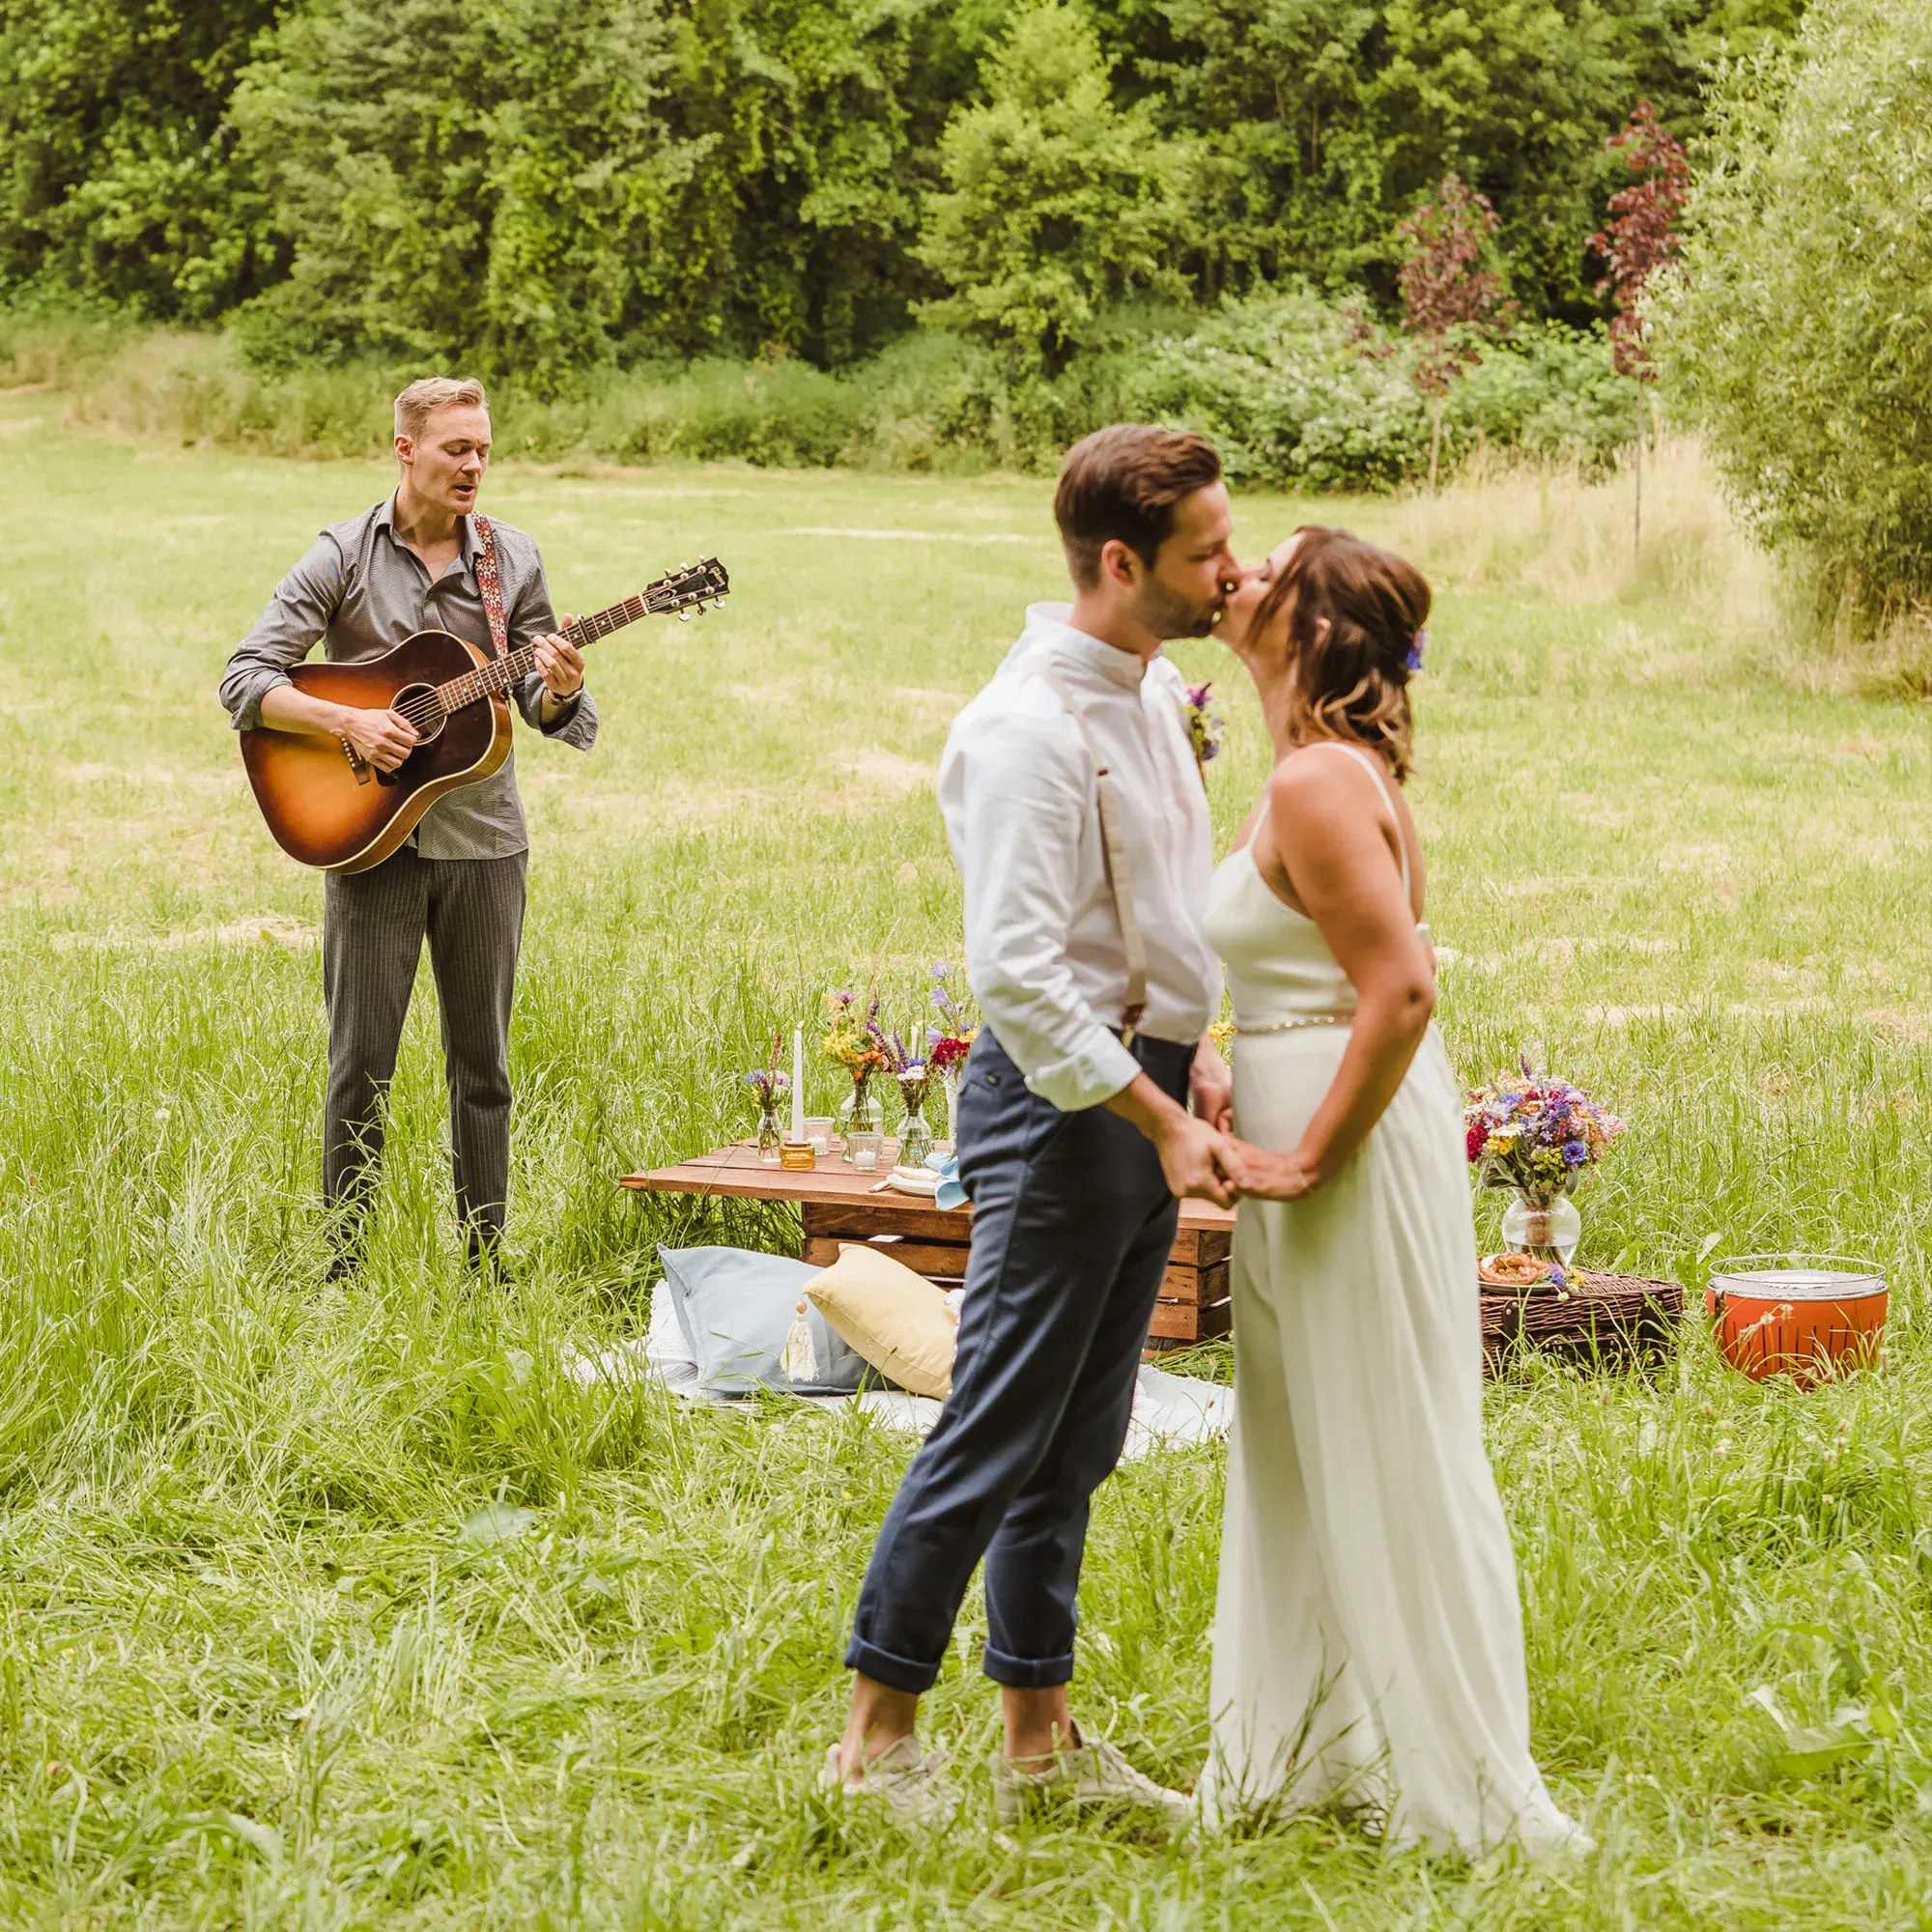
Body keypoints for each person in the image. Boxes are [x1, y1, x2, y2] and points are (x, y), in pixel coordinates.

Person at [825, 425, 1243, 1826]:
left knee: (1083, 1436)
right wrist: (1152, 1107)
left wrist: (1203, 1064)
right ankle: (875, 1741)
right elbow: (1016, 975)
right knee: (995, 1424)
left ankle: (1040, 1745)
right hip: (1062, 1109)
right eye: (1207, 552)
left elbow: (1163, 918)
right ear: (1122, 563)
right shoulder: (1019, 731)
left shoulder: (1154, 687)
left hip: (1150, 1091)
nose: (1230, 571)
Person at [1198, 525, 1588, 1856]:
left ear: (1309, 628)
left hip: (1344, 1144)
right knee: (1306, 1441)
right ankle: (1313, 1753)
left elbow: (1403, 988)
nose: (1235, 570)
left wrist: (1306, 1156)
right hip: (1301, 1103)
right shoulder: (1301, 773)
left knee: (1388, 1439)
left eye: (1269, 565)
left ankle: (1467, 1789)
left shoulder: (1317, 780)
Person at [218, 376, 596, 1271]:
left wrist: (561, 687)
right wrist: (348, 722)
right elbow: (245, 678)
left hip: (483, 841)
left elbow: (537, 695)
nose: (474, 465)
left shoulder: (514, 560)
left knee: (485, 1067)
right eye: (455, 448)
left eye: (484, 450)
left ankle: (484, 1262)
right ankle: (343, 1265)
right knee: (360, 1066)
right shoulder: (343, 554)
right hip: (368, 836)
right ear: (406, 450)